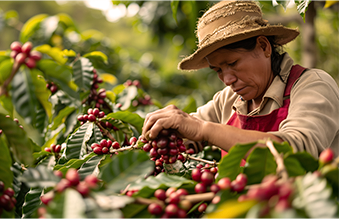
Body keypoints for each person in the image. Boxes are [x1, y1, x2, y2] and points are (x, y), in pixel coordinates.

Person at [142, 0, 339, 159]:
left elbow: (295, 150)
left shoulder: (313, 85)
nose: (227, 79)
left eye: (233, 63)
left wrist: (204, 129)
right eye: (217, 69)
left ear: (263, 46)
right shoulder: (228, 100)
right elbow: (187, 131)